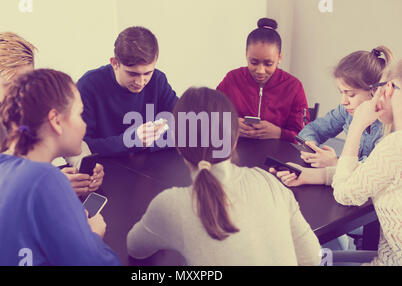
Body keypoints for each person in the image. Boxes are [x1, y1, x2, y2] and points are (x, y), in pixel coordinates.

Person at [126, 87, 320, 266]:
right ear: (235, 140)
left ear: (177, 143)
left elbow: (135, 248)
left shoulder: (170, 204)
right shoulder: (269, 181)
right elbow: (311, 257)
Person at [0, 69, 120, 266]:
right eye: (80, 114)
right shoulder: (44, 179)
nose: (83, 125)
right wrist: (93, 234)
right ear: (56, 121)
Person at [270, 60, 402, 265]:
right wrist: (312, 175)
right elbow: (368, 175)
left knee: (300, 258)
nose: (344, 101)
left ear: (388, 90)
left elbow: (346, 193)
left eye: (380, 89)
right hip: (385, 256)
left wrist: (356, 127)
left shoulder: (394, 144)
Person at [0, 32, 102, 196]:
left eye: (27, 81)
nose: (22, 92)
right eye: (11, 85)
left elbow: (69, 137)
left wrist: (87, 170)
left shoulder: (35, 96)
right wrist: (51, 182)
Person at [77, 26, 178, 156]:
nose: (140, 82)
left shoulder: (158, 80)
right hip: (105, 168)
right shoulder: (89, 85)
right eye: (132, 74)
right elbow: (80, 146)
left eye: (147, 73)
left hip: (149, 165)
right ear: (114, 63)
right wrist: (129, 141)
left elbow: (181, 123)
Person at [298, 46, 393, 168]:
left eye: (351, 94)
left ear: (376, 91)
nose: (343, 101)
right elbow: (312, 129)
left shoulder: (389, 127)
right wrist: (311, 145)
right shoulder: (346, 111)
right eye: (341, 93)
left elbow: (376, 171)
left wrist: (335, 163)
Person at [217, 18, 308, 141]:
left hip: (277, 155)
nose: (260, 70)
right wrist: (229, 124)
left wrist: (279, 133)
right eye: (253, 62)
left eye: (268, 64)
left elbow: (305, 136)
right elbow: (210, 115)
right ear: (246, 55)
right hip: (235, 153)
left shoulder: (293, 86)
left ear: (279, 57)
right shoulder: (232, 79)